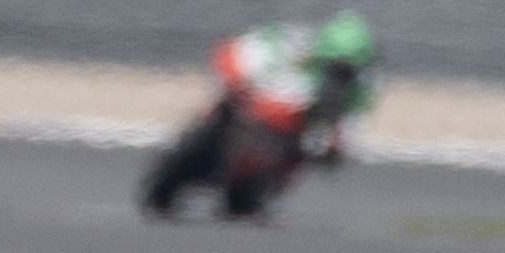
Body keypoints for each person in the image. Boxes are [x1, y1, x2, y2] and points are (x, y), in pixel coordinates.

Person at [140, 15, 376, 220]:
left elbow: (339, 148)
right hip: (251, 104)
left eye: (347, 72)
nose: (338, 78)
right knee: (215, 114)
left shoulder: (360, 94)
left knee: (251, 200)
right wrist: (238, 83)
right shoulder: (289, 42)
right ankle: (178, 169)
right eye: (335, 68)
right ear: (323, 52)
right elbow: (233, 51)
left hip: (289, 133)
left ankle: (258, 189)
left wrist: (329, 146)